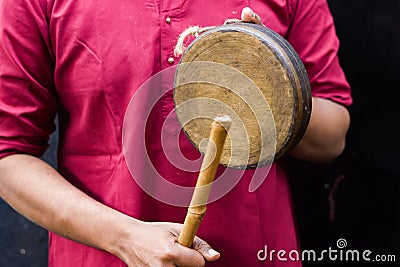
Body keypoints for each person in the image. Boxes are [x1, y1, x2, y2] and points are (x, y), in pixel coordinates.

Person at [0, 0, 351, 266]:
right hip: (102, 255)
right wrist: (124, 238)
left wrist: (270, 83)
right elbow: (9, 157)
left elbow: (332, 138)